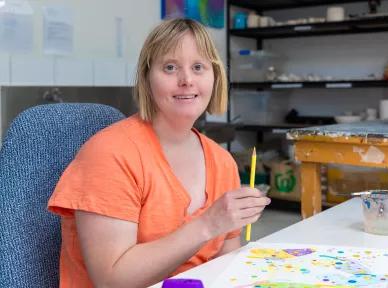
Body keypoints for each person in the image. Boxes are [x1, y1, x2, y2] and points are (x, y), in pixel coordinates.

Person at [48, 18, 270, 288]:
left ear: (215, 76)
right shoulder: (110, 153)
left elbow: (226, 266)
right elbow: (112, 280)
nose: (186, 80)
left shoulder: (222, 162)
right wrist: (208, 224)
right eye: (170, 67)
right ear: (147, 78)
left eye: (198, 67)